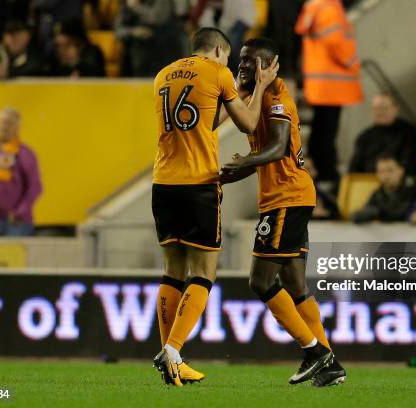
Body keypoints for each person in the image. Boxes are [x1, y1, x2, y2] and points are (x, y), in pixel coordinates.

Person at [151, 28, 279, 387]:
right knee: (204, 272)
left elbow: (204, 121)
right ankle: (174, 350)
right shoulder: (217, 72)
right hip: (198, 184)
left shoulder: (164, 74)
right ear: (220, 50)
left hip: (163, 183)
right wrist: (261, 88)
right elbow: (250, 123)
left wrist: (237, 96)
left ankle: (170, 356)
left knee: (173, 270)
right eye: (228, 56)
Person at [221, 38, 342, 387]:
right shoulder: (253, 96)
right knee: (294, 282)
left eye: (251, 62)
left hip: (286, 199)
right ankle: (330, 363)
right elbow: (265, 151)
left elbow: (275, 148)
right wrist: (235, 172)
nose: (244, 67)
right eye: (242, 60)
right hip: (292, 196)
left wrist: (246, 162)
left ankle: (315, 352)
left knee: (260, 280)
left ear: (271, 66)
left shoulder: (277, 99)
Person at [295, 0, 363, 196]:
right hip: (333, 84)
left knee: (321, 131)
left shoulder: (315, 6)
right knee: (327, 133)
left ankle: (322, 171)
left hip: (321, 83)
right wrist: (352, 61)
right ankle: (327, 174)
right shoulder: (329, 8)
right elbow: (335, 41)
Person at [0, 107, 42, 236]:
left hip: (16, 224)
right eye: (2, 122)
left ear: (17, 127)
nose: (4, 127)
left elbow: (35, 188)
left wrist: (19, 212)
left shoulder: (24, 154)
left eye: (9, 123)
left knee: (13, 256)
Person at [349, 93, 416, 176]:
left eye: (384, 108)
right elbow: (354, 166)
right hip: (367, 181)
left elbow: (408, 162)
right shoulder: (364, 137)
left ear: (395, 109)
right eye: (377, 109)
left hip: (397, 181)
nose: (380, 112)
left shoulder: (409, 132)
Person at [115, 0, 186, 77]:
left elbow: (156, 18)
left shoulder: (163, 2)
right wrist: (134, 32)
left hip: (164, 52)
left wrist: (135, 7)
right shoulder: (128, 5)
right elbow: (118, 32)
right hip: (137, 55)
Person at [352, 155, 416, 223]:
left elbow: (404, 213)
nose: (386, 176)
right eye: (382, 172)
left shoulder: (411, 192)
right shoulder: (377, 194)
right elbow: (360, 215)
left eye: (390, 171)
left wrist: (379, 212)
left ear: (401, 171)